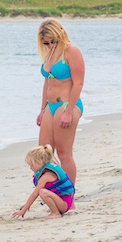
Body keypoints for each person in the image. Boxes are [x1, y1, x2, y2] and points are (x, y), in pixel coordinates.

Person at [35, 17, 84, 185]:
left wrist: (69, 111)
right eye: (46, 43)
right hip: (50, 107)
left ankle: (69, 197)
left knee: (64, 153)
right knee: (43, 154)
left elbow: (78, 83)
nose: (50, 46)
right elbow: (47, 82)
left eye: (52, 41)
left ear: (61, 34)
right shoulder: (49, 54)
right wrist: (42, 110)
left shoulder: (71, 51)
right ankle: (53, 191)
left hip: (67, 104)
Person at [13, 144, 76, 219]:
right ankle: (55, 210)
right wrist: (27, 204)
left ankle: (55, 213)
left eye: (31, 165)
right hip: (64, 202)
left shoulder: (46, 176)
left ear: (39, 162)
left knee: (42, 192)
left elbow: (35, 194)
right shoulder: (49, 169)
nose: (30, 168)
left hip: (64, 205)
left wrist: (24, 209)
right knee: (43, 191)